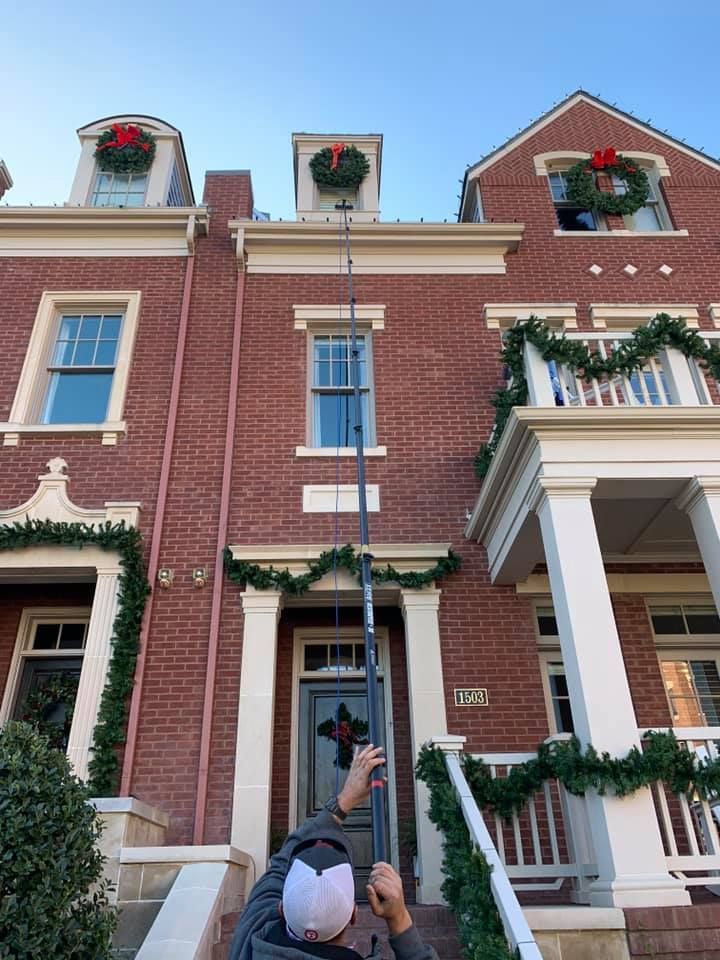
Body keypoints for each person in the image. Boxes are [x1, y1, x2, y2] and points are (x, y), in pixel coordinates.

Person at [228, 743, 439, 960]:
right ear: (354, 915)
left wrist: (343, 801)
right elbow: (282, 863)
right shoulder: (251, 930)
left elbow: (279, 866)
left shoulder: (251, 937)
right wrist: (399, 917)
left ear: (281, 908)